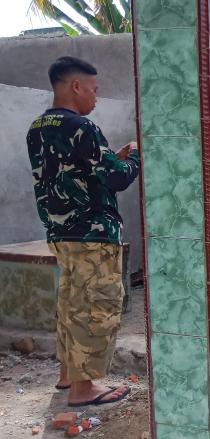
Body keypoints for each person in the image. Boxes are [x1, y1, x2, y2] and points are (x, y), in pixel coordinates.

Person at [27, 56, 139, 407]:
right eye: (93, 89)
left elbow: (77, 171)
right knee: (96, 307)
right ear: (76, 86)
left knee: (71, 304)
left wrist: (113, 158)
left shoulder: (38, 127)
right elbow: (117, 177)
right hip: (92, 235)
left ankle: (67, 376)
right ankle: (84, 389)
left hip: (61, 233)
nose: (95, 97)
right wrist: (136, 156)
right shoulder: (81, 128)